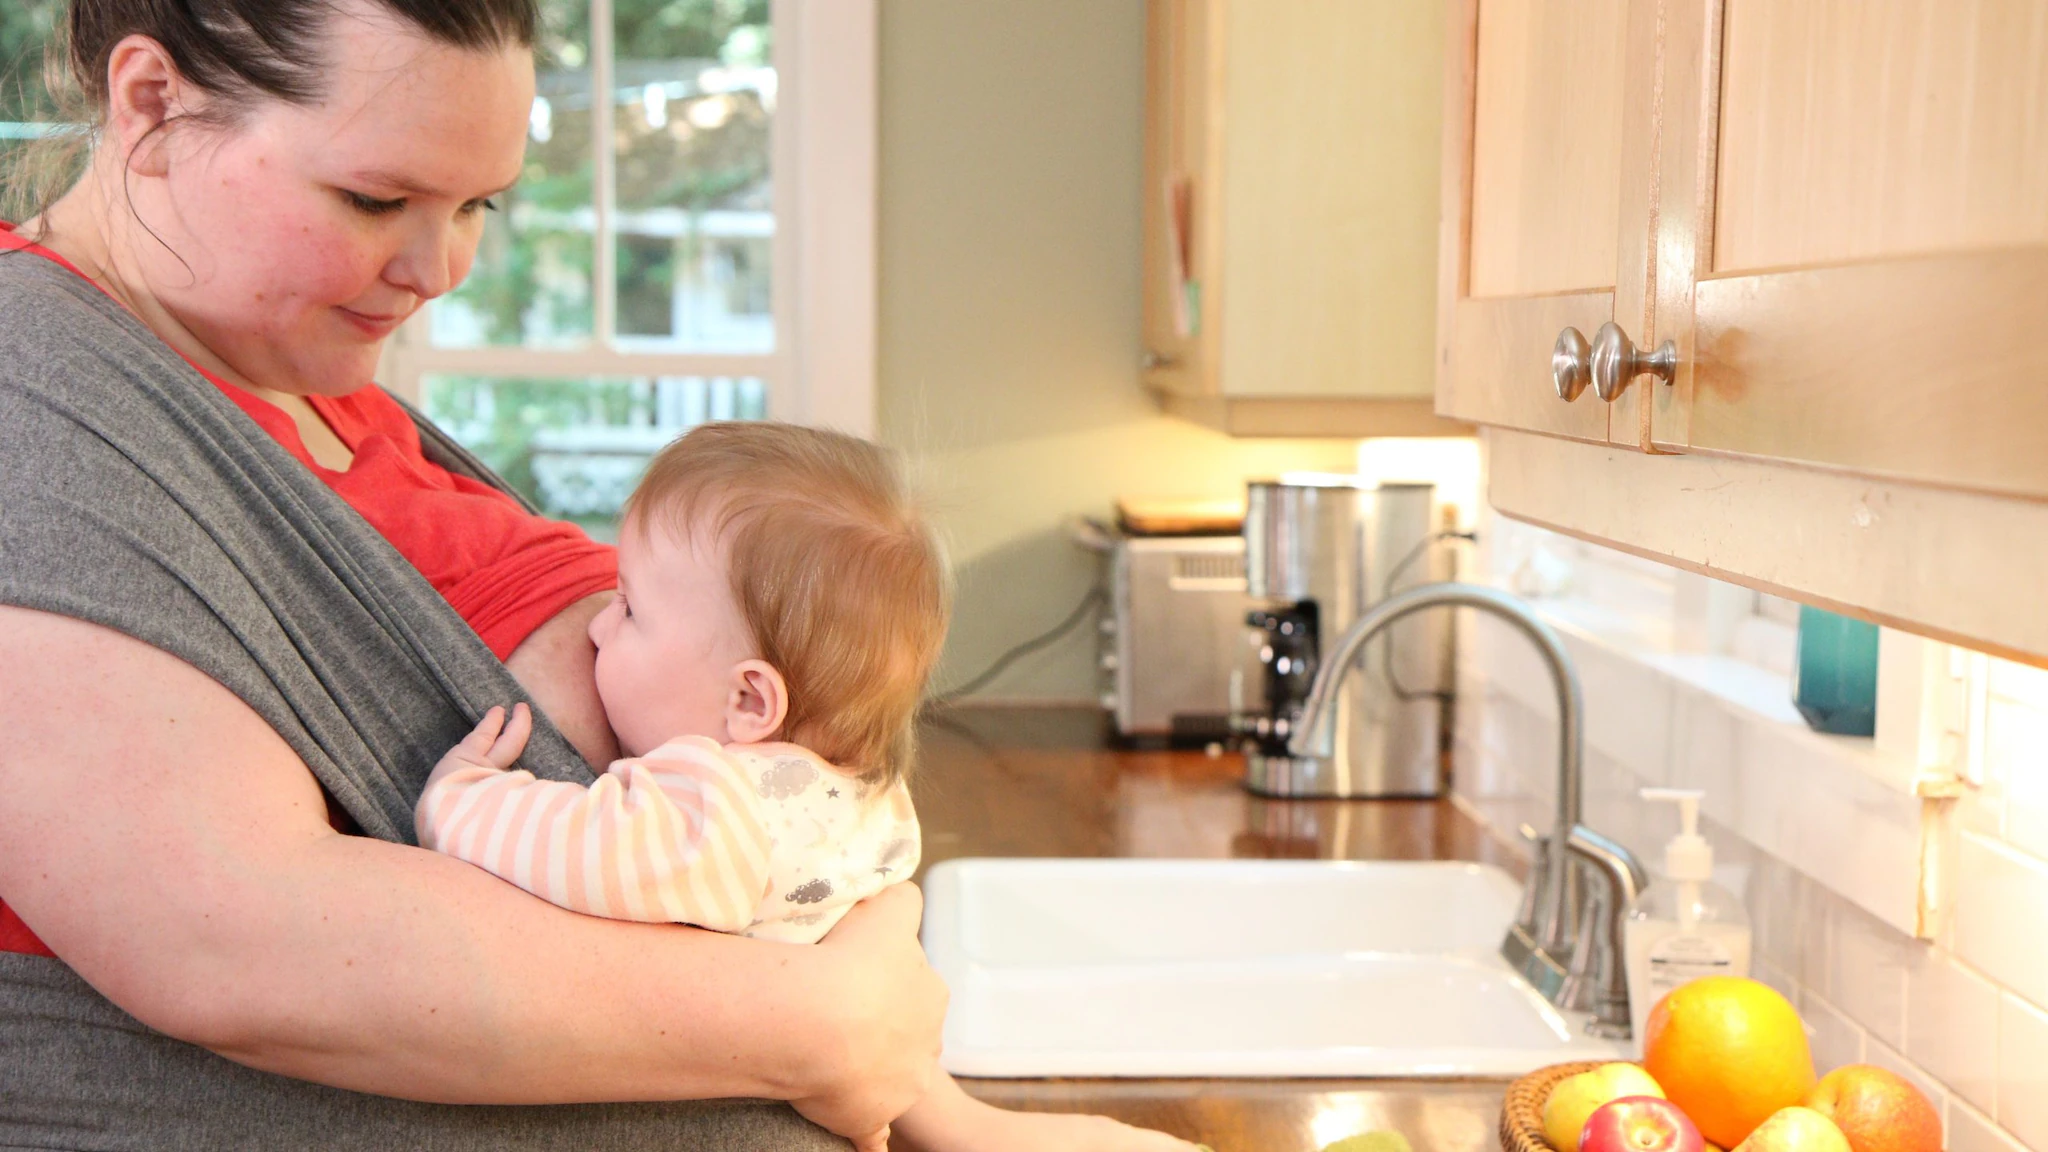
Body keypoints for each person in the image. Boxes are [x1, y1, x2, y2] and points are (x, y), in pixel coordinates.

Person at [0, 2, 941, 1147]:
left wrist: (922, 1081)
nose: (439, 268)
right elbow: (232, 941)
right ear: (152, 102)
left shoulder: (298, 385)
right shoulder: (34, 387)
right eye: (375, 199)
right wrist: (826, 1020)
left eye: (477, 205)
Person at [415, 423, 1197, 1152]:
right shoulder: (848, 782)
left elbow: (575, 846)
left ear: (750, 701)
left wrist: (464, 795)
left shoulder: (708, 809)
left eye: (628, 609)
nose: (595, 626)